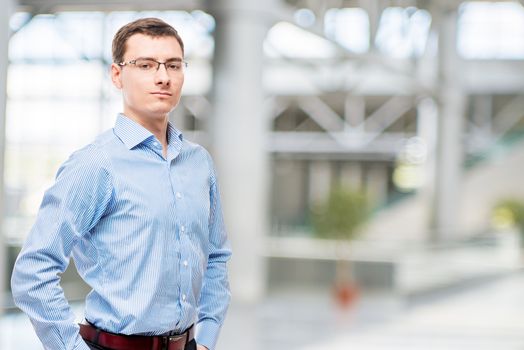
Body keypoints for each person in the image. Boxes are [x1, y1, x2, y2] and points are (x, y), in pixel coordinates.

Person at [11, 17, 232, 350]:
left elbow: (215, 255)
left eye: (173, 65)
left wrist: (206, 339)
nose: (163, 77)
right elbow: (33, 269)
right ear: (117, 75)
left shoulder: (198, 163)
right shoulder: (96, 164)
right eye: (145, 65)